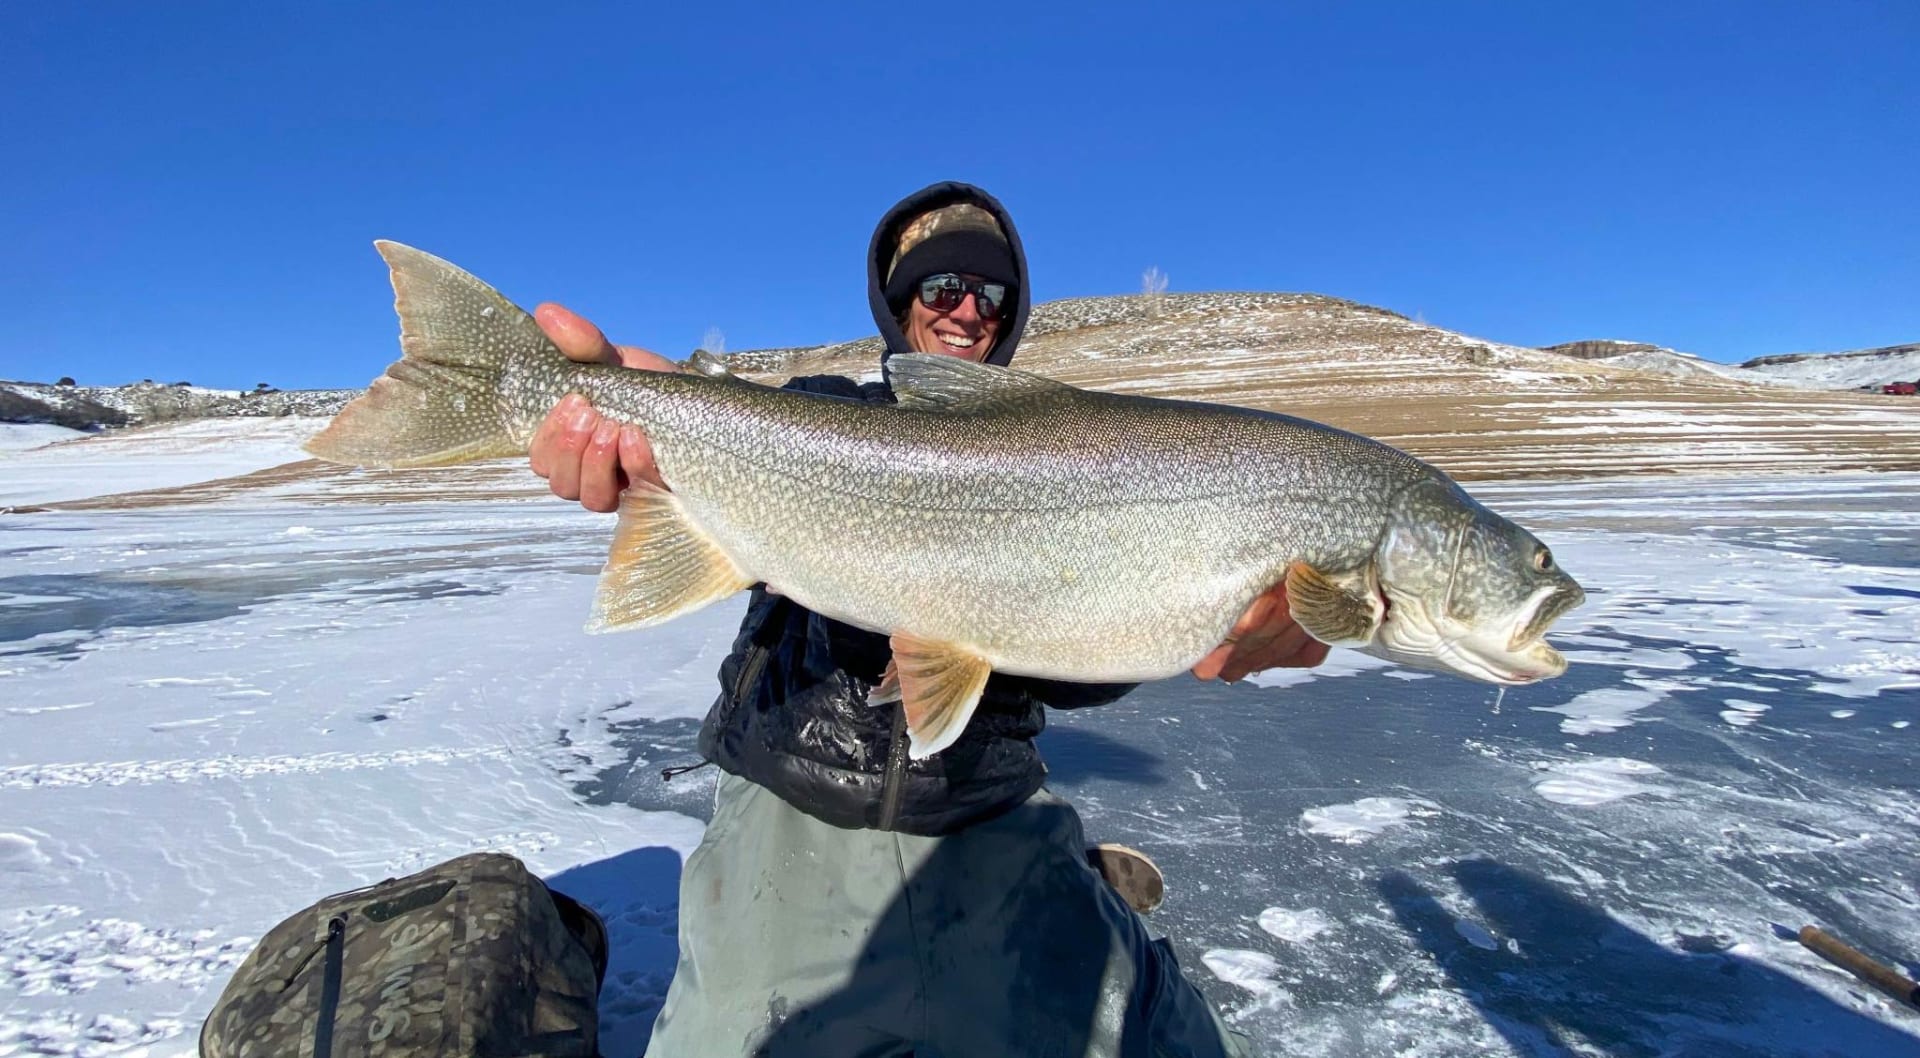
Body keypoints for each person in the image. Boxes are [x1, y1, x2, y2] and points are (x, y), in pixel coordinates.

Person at [527, 182, 1328, 1057]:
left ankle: (1075, 898)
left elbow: (1075, 665)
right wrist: (626, 403)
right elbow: (701, 413)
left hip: (986, 805)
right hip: (791, 799)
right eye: (941, 288)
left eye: (991, 296)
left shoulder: (1062, 455)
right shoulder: (825, 411)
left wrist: (1188, 624)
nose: (966, 313)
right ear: (898, 299)